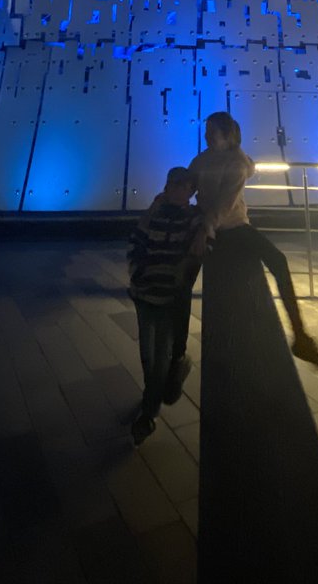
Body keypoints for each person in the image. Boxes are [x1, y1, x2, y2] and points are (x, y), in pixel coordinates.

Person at [189, 110, 318, 370]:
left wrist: (204, 229)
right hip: (220, 227)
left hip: (229, 227)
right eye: (207, 131)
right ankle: (300, 338)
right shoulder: (204, 160)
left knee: (277, 261)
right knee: (277, 262)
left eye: (212, 132)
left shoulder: (236, 162)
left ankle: (300, 335)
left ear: (226, 134)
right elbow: (190, 187)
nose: (207, 136)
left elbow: (225, 204)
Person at [128, 166, 202, 445]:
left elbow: (202, 244)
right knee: (148, 356)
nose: (175, 190)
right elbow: (136, 240)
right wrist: (136, 273)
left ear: (191, 192)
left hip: (169, 299)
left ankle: (148, 414)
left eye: (182, 187)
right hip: (145, 296)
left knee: (159, 358)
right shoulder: (155, 211)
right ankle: (152, 400)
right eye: (172, 184)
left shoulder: (194, 219)